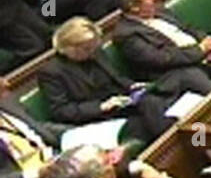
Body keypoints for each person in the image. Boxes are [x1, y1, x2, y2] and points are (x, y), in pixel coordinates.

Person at [38, 17, 171, 144]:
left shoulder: (96, 53)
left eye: (93, 46)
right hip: (96, 118)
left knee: (153, 101)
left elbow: (116, 78)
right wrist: (101, 106)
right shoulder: (52, 72)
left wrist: (132, 86)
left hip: (120, 104)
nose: (92, 51)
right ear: (68, 48)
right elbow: (61, 111)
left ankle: (175, 137)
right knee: (142, 125)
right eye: (87, 48)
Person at [111, 0, 211, 96]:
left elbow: (187, 28)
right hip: (175, 73)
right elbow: (161, 59)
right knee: (203, 84)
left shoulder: (159, 10)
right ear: (134, 7)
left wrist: (205, 39)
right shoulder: (125, 34)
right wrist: (199, 50)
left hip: (200, 55)